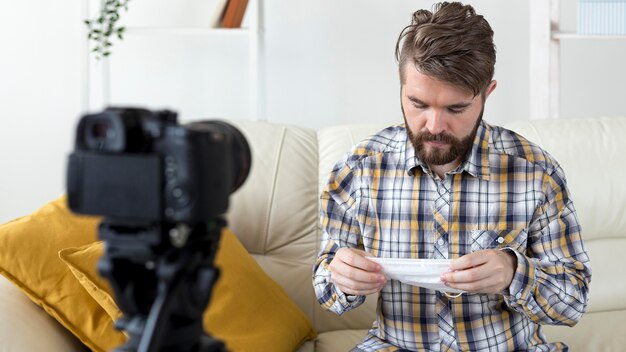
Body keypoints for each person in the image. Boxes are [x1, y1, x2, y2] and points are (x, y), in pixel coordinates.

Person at [312, 2, 591, 351]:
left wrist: (512, 273)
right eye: (418, 104)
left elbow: (573, 301)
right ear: (401, 88)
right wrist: (343, 277)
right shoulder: (357, 171)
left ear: (487, 93)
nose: (434, 126)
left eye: (455, 108)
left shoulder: (535, 172)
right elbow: (328, 293)